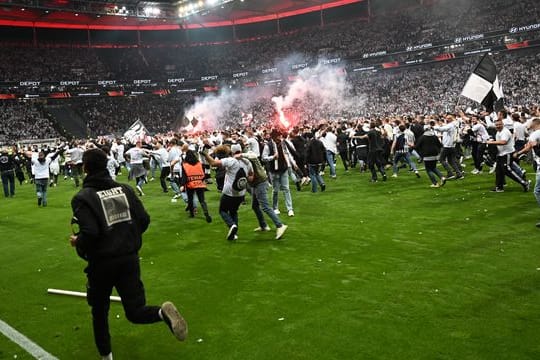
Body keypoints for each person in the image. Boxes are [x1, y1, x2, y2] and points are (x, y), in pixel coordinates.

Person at [69, 148, 187, 360]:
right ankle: (162, 313)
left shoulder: (83, 197)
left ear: (85, 168)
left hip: (102, 263)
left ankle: (106, 357)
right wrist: (127, 237)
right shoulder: (125, 189)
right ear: (106, 165)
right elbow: (144, 220)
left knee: (99, 312)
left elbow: (90, 232)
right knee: (135, 311)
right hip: (129, 258)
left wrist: (79, 242)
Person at [203, 143, 253, 241]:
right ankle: (234, 233)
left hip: (229, 192)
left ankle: (232, 225)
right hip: (241, 193)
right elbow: (251, 178)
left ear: (231, 152)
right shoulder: (247, 162)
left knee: (222, 210)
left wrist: (205, 154)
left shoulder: (231, 161)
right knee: (234, 211)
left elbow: (213, 163)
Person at [244, 150, 288, 240]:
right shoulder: (245, 158)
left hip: (260, 183)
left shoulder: (248, 157)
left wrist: (240, 155)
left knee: (265, 206)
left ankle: (280, 225)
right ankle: (263, 225)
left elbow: (252, 156)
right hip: (256, 183)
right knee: (255, 206)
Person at [487, 119, 530, 193]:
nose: (498, 126)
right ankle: (499, 187)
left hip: (507, 154)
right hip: (501, 154)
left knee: (507, 170)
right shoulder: (498, 132)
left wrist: (492, 142)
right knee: (499, 171)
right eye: (496, 125)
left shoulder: (505, 132)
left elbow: (504, 142)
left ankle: (524, 183)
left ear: (503, 124)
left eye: (499, 124)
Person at [513, 117, 540, 226]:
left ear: (535, 123)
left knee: (537, 191)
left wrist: (518, 153)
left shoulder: (534, 134)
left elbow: (530, 147)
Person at [180, 149, 212, 223]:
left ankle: (192, 214)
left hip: (190, 184)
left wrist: (182, 185)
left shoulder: (184, 164)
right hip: (199, 183)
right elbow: (203, 174)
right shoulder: (199, 163)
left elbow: (184, 177)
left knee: (190, 200)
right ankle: (206, 214)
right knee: (202, 200)